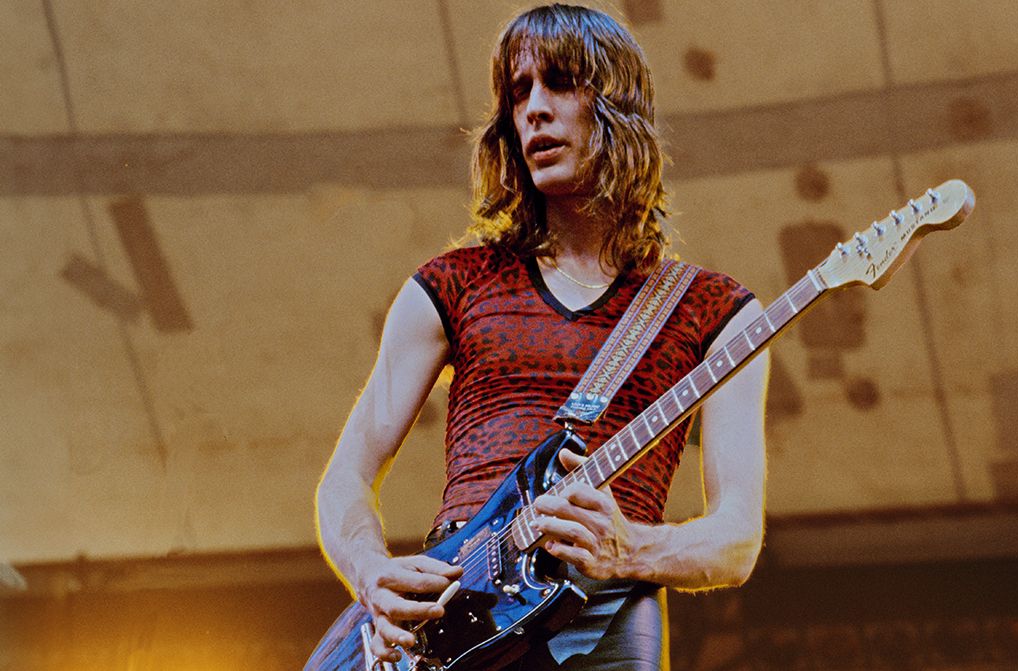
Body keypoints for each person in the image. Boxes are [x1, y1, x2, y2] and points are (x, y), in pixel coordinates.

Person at [315, 4, 768, 669]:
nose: (534, 109)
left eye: (559, 83)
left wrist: (629, 549)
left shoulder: (713, 309)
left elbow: (736, 539)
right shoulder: (453, 284)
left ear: (616, 105)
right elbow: (345, 476)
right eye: (518, 91)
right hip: (450, 618)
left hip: (603, 609)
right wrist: (370, 571)